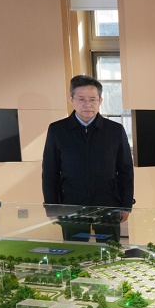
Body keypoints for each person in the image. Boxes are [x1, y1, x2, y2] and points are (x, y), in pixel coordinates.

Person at [42, 74, 134, 243]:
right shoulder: (57, 130)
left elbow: (125, 169)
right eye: (81, 99)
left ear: (100, 100)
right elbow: (50, 171)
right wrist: (51, 207)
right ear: (71, 99)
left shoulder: (115, 130)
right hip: (71, 204)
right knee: (75, 251)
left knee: (110, 251)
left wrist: (126, 204)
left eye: (92, 99)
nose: (87, 104)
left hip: (108, 203)